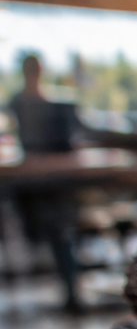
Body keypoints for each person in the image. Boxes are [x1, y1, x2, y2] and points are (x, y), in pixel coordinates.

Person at [9, 54, 84, 312]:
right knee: (57, 232)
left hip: (56, 183)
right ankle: (67, 290)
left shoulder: (56, 103)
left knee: (62, 232)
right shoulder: (20, 103)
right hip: (35, 185)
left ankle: (71, 291)